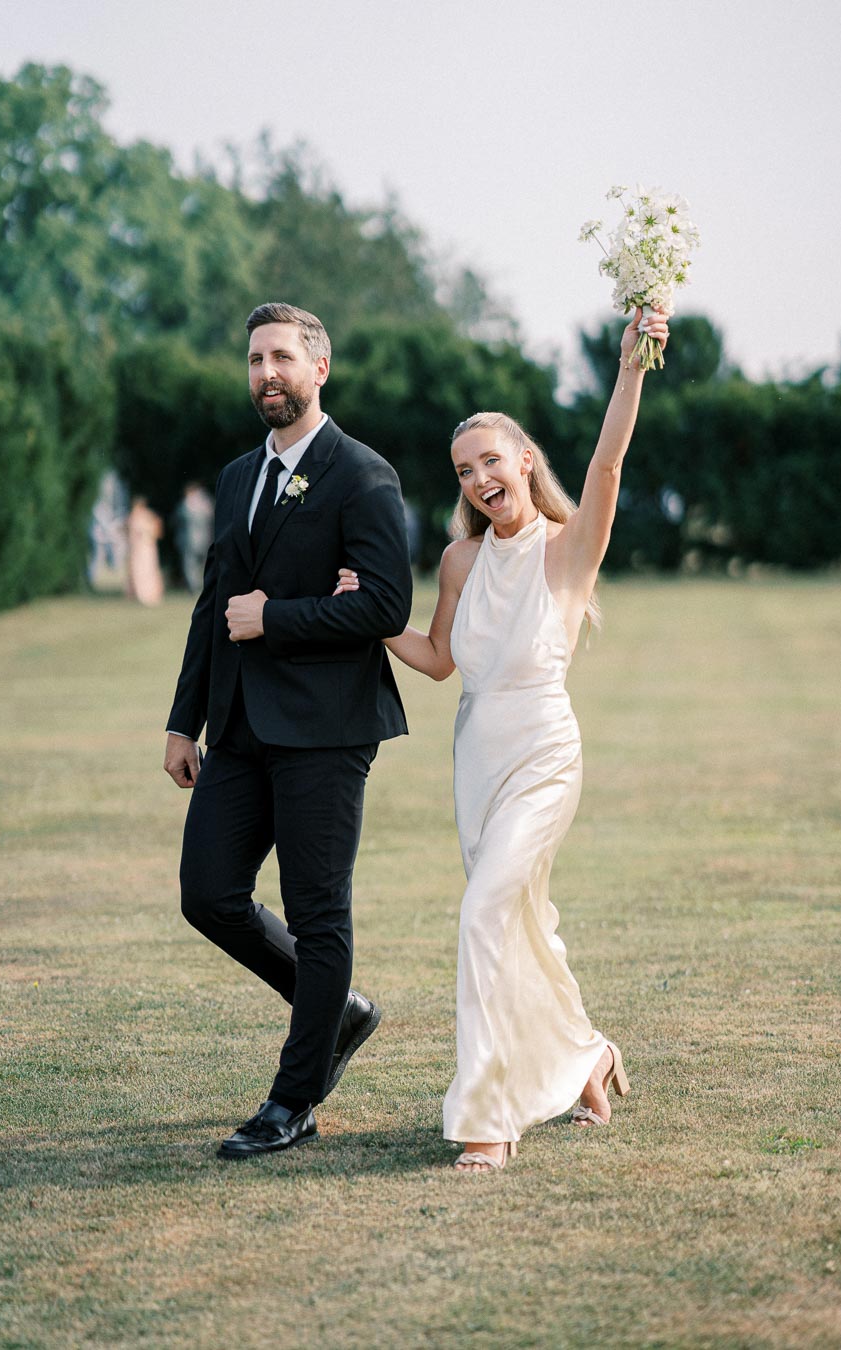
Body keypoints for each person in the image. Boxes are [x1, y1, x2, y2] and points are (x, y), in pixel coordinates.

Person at [338, 305, 669, 1171]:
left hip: (544, 755)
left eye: (493, 458)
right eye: (465, 469)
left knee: (484, 910)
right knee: (521, 921)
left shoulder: (568, 551)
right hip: (476, 759)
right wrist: (368, 621)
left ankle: (487, 1117)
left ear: (524, 461)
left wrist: (632, 365)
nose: (481, 477)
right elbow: (441, 659)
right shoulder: (459, 561)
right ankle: (588, 1055)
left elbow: (606, 463)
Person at [164, 302, 412, 1159]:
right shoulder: (238, 477)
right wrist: (182, 720)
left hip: (328, 729)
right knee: (208, 894)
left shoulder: (363, 474)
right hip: (235, 725)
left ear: (318, 369)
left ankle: (294, 1099)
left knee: (318, 914)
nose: (266, 373)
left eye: (282, 358)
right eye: (255, 360)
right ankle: (336, 1009)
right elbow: (210, 607)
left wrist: (278, 619)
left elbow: (386, 606)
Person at [174, 482, 215, 593]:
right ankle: (194, 587)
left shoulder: (204, 504)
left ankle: (205, 585)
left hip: (203, 539)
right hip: (188, 541)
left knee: (204, 564)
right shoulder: (184, 505)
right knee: (189, 565)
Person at [127, 496, 165, 606]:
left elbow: (157, 530)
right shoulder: (134, 516)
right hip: (137, 548)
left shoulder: (147, 516)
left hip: (146, 547)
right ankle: (138, 593)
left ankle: (148, 594)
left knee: (146, 570)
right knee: (138, 570)